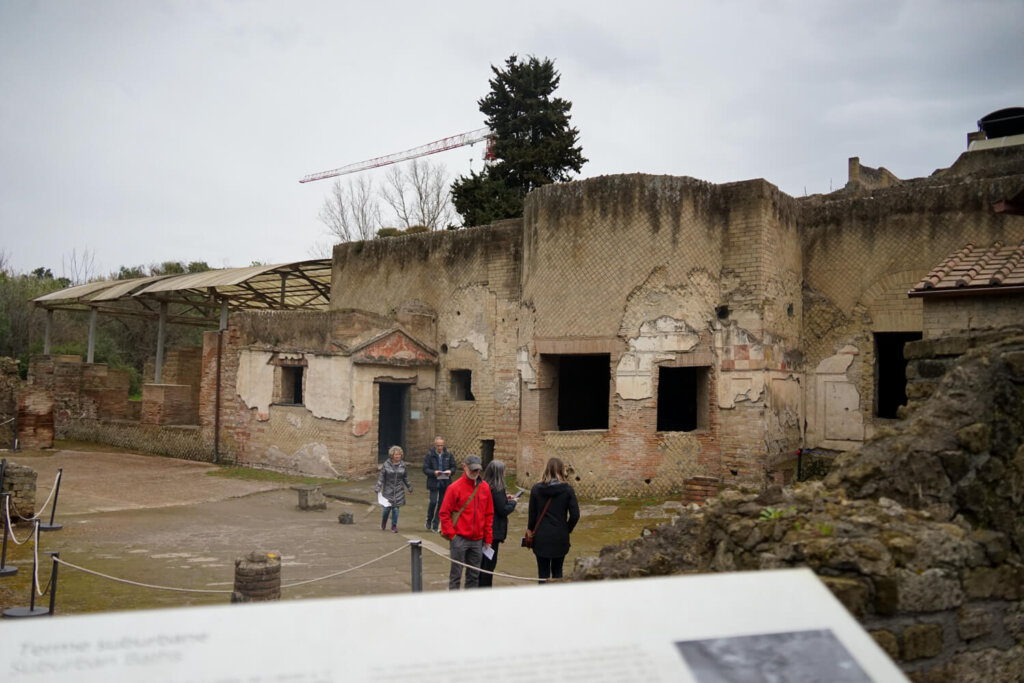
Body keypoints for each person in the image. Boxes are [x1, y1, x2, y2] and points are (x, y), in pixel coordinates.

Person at [439, 455, 493, 589]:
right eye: (473, 470)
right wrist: (452, 535)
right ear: (464, 467)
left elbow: (489, 513)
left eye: (478, 470)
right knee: (456, 575)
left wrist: (488, 537)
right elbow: (444, 513)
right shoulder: (454, 488)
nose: (475, 473)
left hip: (477, 539)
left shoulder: (485, 487)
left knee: (474, 576)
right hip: (460, 538)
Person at [528, 457, 580, 583]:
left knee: (543, 574)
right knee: (558, 572)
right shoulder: (568, 490)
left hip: (541, 536)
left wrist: (530, 530)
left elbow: (532, 515)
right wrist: (567, 529)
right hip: (559, 536)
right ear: (562, 471)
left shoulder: (536, 489)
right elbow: (575, 515)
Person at [478, 459, 517, 588]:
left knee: (481, 563)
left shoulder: (483, 486)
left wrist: (506, 498)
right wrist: (513, 502)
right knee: (489, 564)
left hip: (482, 529)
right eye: (504, 471)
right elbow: (503, 510)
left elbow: (495, 503)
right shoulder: (498, 488)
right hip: (493, 532)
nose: (505, 473)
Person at [374, 445, 412, 533]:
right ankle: (384, 521)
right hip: (388, 489)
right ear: (392, 455)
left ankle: (394, 525)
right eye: (396, 455)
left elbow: (405, 477)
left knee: (395, 509)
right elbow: (381, 477)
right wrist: (378, 486)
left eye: (399, 455)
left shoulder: (403, 465)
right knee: (387, 508)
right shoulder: (386, 465)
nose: (397, 456)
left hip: (399, 490)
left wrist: (409, 487)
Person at [422, 436, 455, 532]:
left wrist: (450, 471)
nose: (440, 448)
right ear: (435, 445)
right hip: (434, 481)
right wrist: (434, 472)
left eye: (441, 445)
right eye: (438, 446)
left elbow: (453, 467)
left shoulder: (448, 455)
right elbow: (425, 469)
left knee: (442, 504)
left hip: (445, 482)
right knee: (433, 502)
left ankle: (436, 524)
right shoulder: (429, 455)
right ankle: (429, 519)